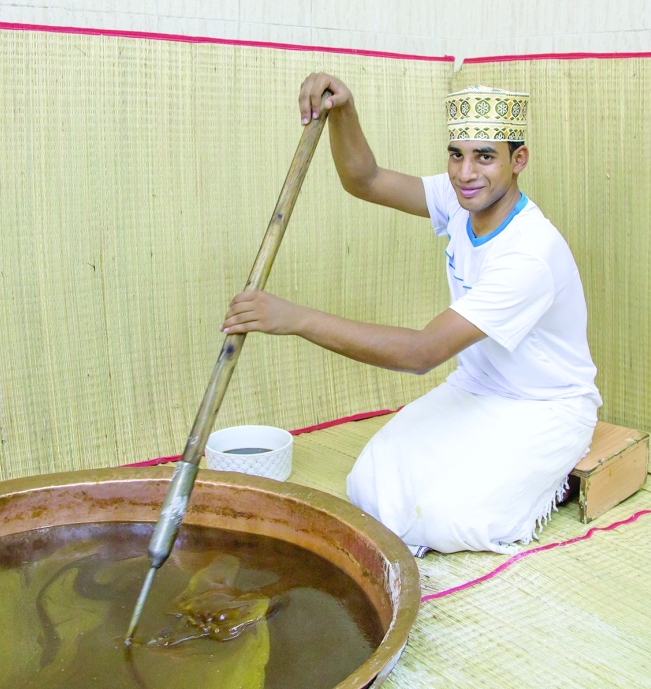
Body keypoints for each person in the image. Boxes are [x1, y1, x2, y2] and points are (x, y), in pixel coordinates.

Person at [221, 74, 602, 555]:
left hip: (546, 406)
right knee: (369, 487)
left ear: (517, 160)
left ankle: (548, 488)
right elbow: (366, 180)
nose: (466, 173)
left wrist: (296, 318)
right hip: (476, 388)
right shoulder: (459, 199)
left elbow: (421, 353)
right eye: (456, 154)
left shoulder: (529, 255)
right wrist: (345, 111)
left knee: (446, 522)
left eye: (485, 156)